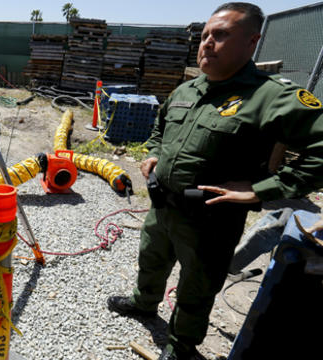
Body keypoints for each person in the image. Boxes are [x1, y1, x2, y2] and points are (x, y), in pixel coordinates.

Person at [107, 2, 323, 360]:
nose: (207, 42)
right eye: (205, 35)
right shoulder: (188, 90)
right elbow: (161, 126)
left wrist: (261, 190)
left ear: (252, 42)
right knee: (151, 258)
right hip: (163, 206)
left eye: (221, 35)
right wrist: (155, 153)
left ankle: (181, 345)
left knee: (197, 286)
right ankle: (145, 303)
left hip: (210, 221)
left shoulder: (271, 97)